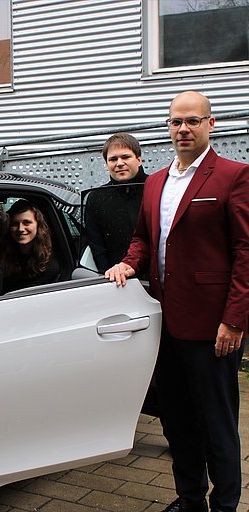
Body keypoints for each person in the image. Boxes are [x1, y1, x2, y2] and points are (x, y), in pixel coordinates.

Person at [106, 91, 248, 512]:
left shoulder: (233, 176)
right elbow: (143, 239)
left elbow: (245, 251)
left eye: (192, 121)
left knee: (217, 423)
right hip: (163, 325)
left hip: (212, 327)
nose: (183, 129)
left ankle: (224, 505)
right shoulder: (155, 182)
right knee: (177, 421)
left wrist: (235, 320)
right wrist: (129, 264)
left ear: (210, 123)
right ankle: (189, 499)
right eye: (175, 122)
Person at [84, 133, 148, 272]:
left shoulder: (156, 188)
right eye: (113, 159)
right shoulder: (96, 198)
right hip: (119, 282)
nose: (119, 163)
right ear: (107, 164)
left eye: (125, 157)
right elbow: (97, 246)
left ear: (139, 159)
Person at [2, 200, 60, 293]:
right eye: (15, 224)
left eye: (27, 222)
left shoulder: (49, 265)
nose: (20, 229)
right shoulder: (1, 256)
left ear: (38, 226)